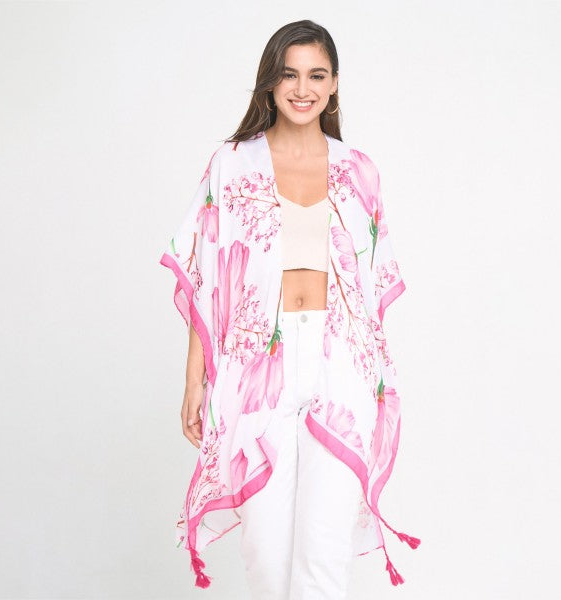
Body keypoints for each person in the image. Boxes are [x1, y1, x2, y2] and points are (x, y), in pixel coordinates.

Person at [159, 19, 420, 600]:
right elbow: (207, 278)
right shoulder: (233, 163)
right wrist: (195, 379)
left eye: (316, 76)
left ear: (334, 85)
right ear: (270, 83)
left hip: (341, 364)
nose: (303, 89)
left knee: (323, 554)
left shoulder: (358, 170)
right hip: (256, 363)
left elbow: (371, 288)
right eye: (289, 75)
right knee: (267, 555)